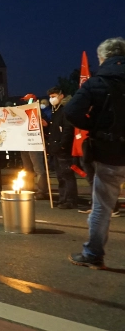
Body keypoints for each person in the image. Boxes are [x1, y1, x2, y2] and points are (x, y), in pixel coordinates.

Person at [65, 37, 125, 269]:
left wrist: (94, 126)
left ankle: (93, 253)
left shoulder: (97, 82)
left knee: (102, 205)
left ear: (103, 58)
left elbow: (72, 111)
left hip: (111, 152)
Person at [46, 87, 77, 209]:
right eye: (50, 96)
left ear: (61, 96)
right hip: (55, 148)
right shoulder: (55, 111)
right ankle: (63, 198)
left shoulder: (65, 111)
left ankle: (70, 199)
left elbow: (67, 130)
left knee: (67, 175)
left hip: (63, 149)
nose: (51, 99)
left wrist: (62, 145)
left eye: (54, 96)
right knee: (60, 175)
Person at [18, 94, 49, 199]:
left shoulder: (40, 112)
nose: (25, 103)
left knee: (38, 168)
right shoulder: (22, 113)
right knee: (27, 169)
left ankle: (41, 191)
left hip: (35, 144)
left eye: (26, 101)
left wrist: (39, 119)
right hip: (24, 144)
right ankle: (29, 189)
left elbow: (46, 124)